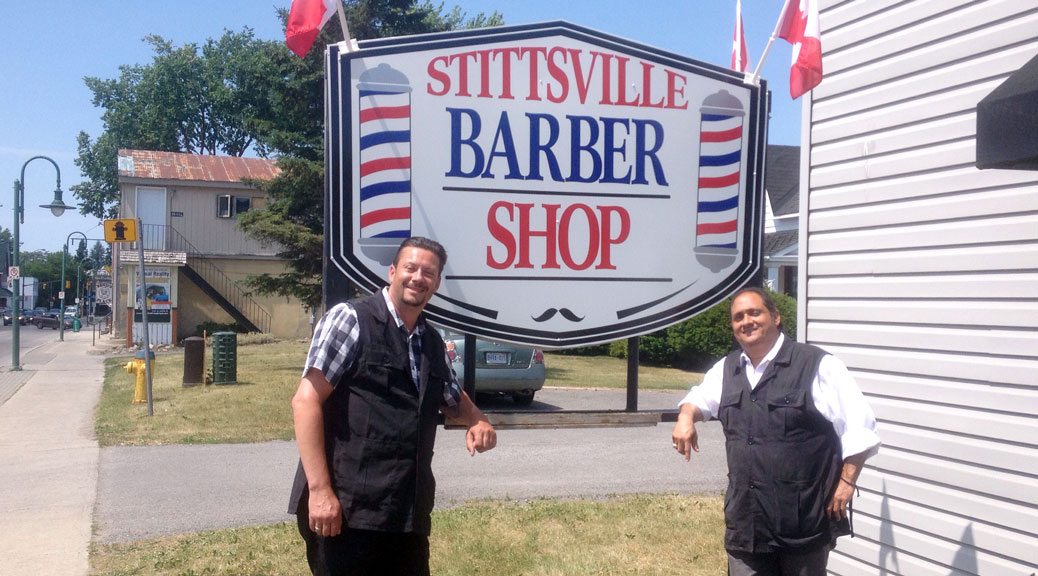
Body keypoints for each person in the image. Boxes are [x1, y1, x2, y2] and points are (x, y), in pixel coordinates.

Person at [289, 236, 497, 576]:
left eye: (428, 272)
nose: (418, 278)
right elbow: (305, 400)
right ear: (392, 272)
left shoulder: (431, 340)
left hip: (405, 513)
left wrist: (477, 419)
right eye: (410, 268)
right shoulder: (351, 320)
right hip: (347, 510)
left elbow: (449, 397)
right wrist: (320, 491)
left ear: (437, 282)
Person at [672, 286, 880, 576]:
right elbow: (699, 398)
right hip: (747, 523)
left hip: (802, 522)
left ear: (776, 316)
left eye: (754, 312)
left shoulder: (818, 365)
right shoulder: (727, 368)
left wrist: (846, 483)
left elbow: (860, 427)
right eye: (738, 317)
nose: (746, 321)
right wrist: (686, 417)